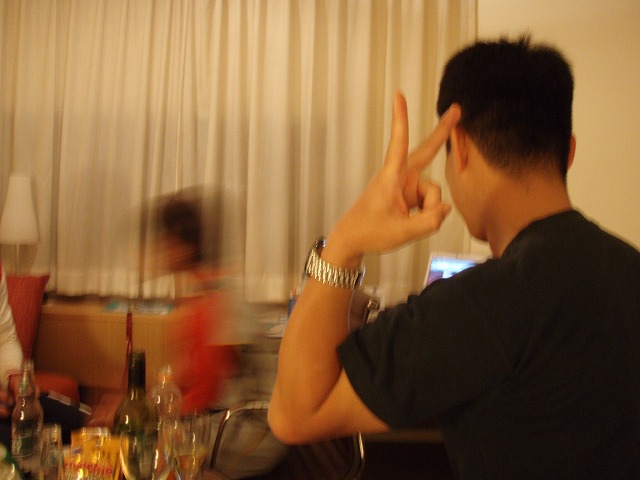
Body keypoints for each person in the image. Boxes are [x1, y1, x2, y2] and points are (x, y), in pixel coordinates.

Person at [268, 37, 640, 479]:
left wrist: (346, 241)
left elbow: (295, 414)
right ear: (569, 152)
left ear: (459, 146)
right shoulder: (629, 268)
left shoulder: (484, 304)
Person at [0, 262, 89, 447]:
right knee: (21, 449)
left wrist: (15, 376)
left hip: (6, 401)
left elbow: (5, 338)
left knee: (87, 425)